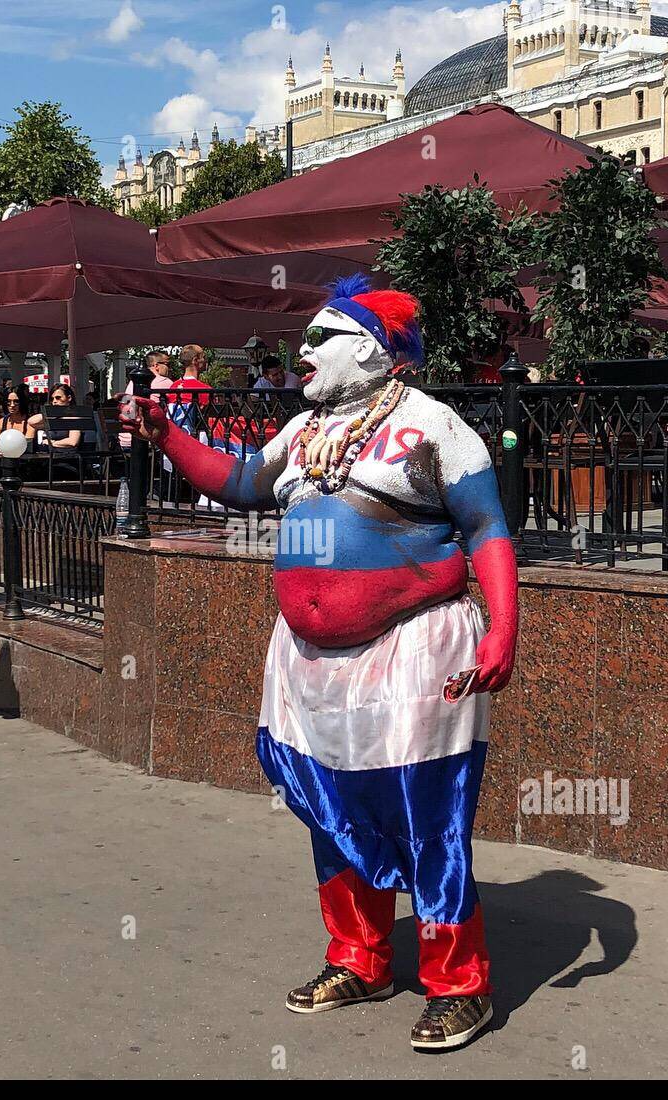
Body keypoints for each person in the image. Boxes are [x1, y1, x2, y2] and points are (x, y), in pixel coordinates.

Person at [122, 274, 518, 1051]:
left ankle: (459, 983)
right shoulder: (305, 429)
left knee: (429, 817)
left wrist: (503, 628)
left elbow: (488, 530)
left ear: (373, 351)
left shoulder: (438, 427)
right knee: (331, 810)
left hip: (415, 649)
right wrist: (165, 433)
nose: (302, 350)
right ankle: (360, 959)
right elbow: (240, 483)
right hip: (309, 659)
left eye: (321, 337)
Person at [30, 383, 82, 450]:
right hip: (50, 455)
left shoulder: (73, 417)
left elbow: (73, 442)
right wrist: (51, 412)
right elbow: (32, 422)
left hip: (67, 456)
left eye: (58, 398)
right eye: (52, 399)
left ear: (69, 398)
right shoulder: (53, 417)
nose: (54, 401)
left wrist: (52, 443)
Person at [0, 386, 35, 450]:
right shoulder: (3, 421)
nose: (12, 405)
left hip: (25, 459)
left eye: (16, 401)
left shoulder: (30, 421)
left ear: (22, 402)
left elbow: (27, 446)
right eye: (8, 402)